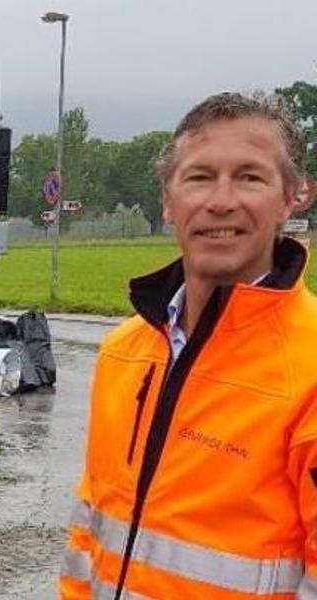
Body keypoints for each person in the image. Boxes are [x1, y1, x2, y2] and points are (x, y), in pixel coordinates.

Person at [59, 91, 317, 599]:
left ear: (293, 196)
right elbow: (92, 527)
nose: (220, 200)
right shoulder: (124, 351)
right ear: (168, 200)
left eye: (249, 176)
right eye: (200, 177)